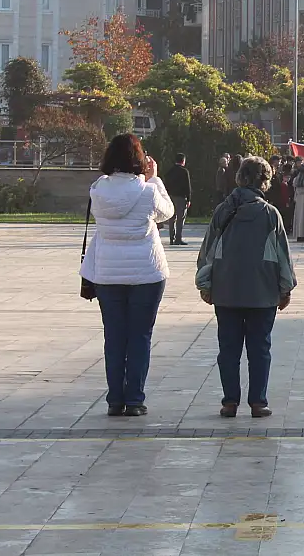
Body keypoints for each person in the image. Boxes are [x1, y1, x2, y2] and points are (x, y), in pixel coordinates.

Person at [81, 134, 175, 417]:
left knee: (114, 336)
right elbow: (167, 213)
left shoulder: (98, 190)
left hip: (108, 273)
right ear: (139, 160)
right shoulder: (147, 191)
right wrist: (155, 179)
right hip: (147, 272)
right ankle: (134, 399)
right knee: (140, 336)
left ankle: (114, 399)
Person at [196, 156, 296, 418]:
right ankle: (258, 402)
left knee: (228, 348)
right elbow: (282, 255)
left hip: (226, 289)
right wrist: (285, 288)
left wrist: (205, 283)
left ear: (239, 178)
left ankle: (230, 401)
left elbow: (207, 251)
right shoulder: (270, 214)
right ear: (265, 182)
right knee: (260, 348)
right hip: (262, 291)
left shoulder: (223, 211)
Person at [162, 153, 192, 246]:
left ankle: (172, 237)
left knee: (172, 218)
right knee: (180, 218)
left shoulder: (170, 171)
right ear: (183, 161)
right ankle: (178, 238)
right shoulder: (184, 171)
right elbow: (188, 186)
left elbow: (165, 185)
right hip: (181, 197)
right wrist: (189, 199)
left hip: (171, 197)